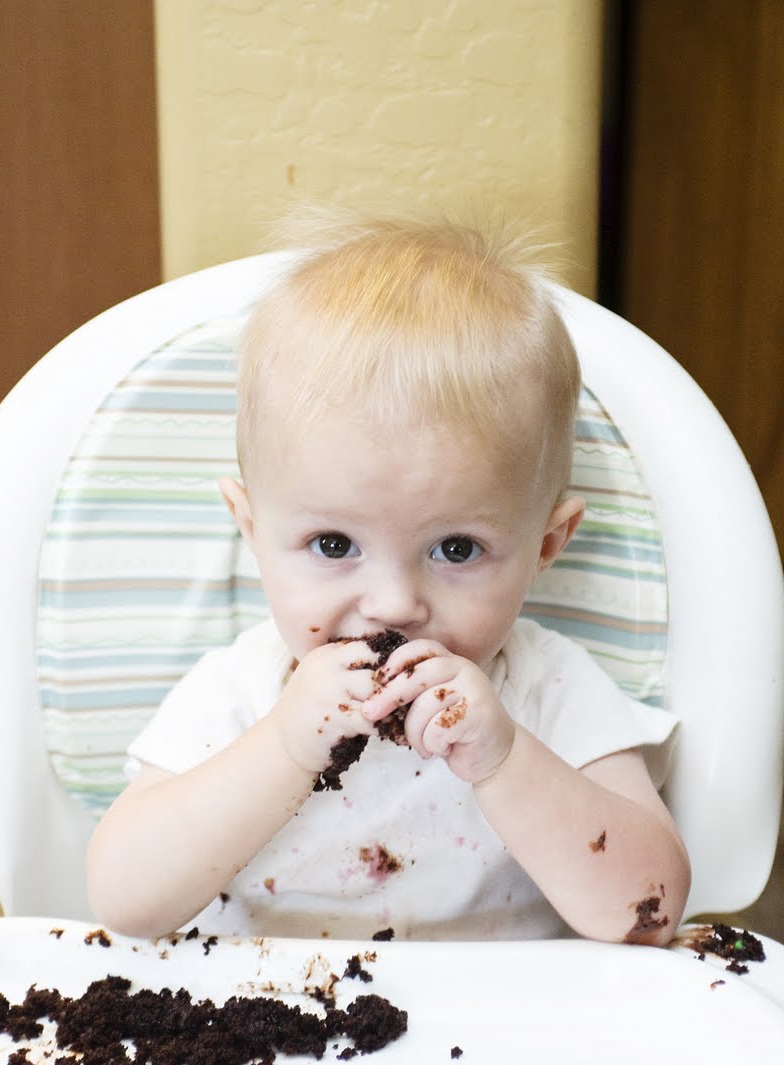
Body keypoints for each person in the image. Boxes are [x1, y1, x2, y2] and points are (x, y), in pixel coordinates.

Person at [85, 213, 688, 945]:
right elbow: (124, 900)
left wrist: (504, 759)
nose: (395, 605)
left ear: (546, 544)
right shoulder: (239, 698)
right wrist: (283, 748)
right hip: (266, 1006)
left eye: (457, 548)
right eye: (333, 543)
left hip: (501, 1010)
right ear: (251, 529)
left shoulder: (549, 695)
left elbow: (648, 911)